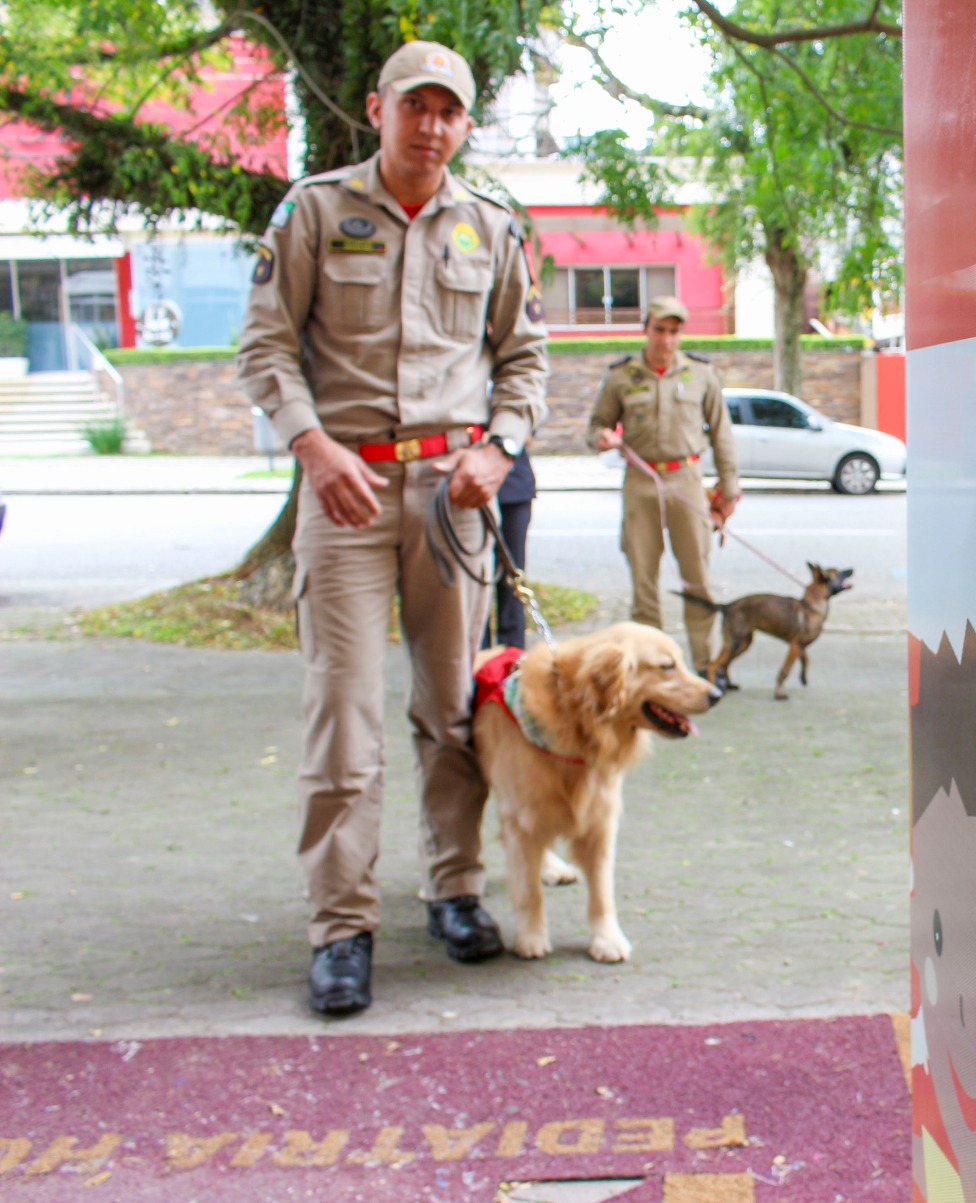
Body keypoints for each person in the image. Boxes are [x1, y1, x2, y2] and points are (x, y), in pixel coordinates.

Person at [236, 39, 549, 1017]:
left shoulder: (491, 226)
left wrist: (499, 450)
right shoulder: (316, 211)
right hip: (347, 494)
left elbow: (526, 359)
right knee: (344, 713)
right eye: (415, 105)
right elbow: (265, 346)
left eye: (448, 110)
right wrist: (311, 446)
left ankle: (454, 889)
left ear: (465, 123)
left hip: (453, 501)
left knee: (452, 707)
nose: (431, 125)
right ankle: (342, 926)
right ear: (377, 109)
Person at [587, 296, 740, 675]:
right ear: (646, 329)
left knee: (697, 577)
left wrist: (729, 489)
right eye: (660, 330)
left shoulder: (701, 374)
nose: (667, 339)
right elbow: (595, 426)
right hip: (640, 480)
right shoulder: (622, 376)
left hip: (686, 480)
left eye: (675, 331)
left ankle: (706, 666)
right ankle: (651, 669)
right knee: (644, 578)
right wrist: (601, 438)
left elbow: (722, 435)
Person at [485, 442, 537, 649]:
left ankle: (512, 656)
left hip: (513, 487)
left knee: (513, 578)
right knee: (474, 584)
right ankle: (476, 658)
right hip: (468, 488)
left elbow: (526, 433)